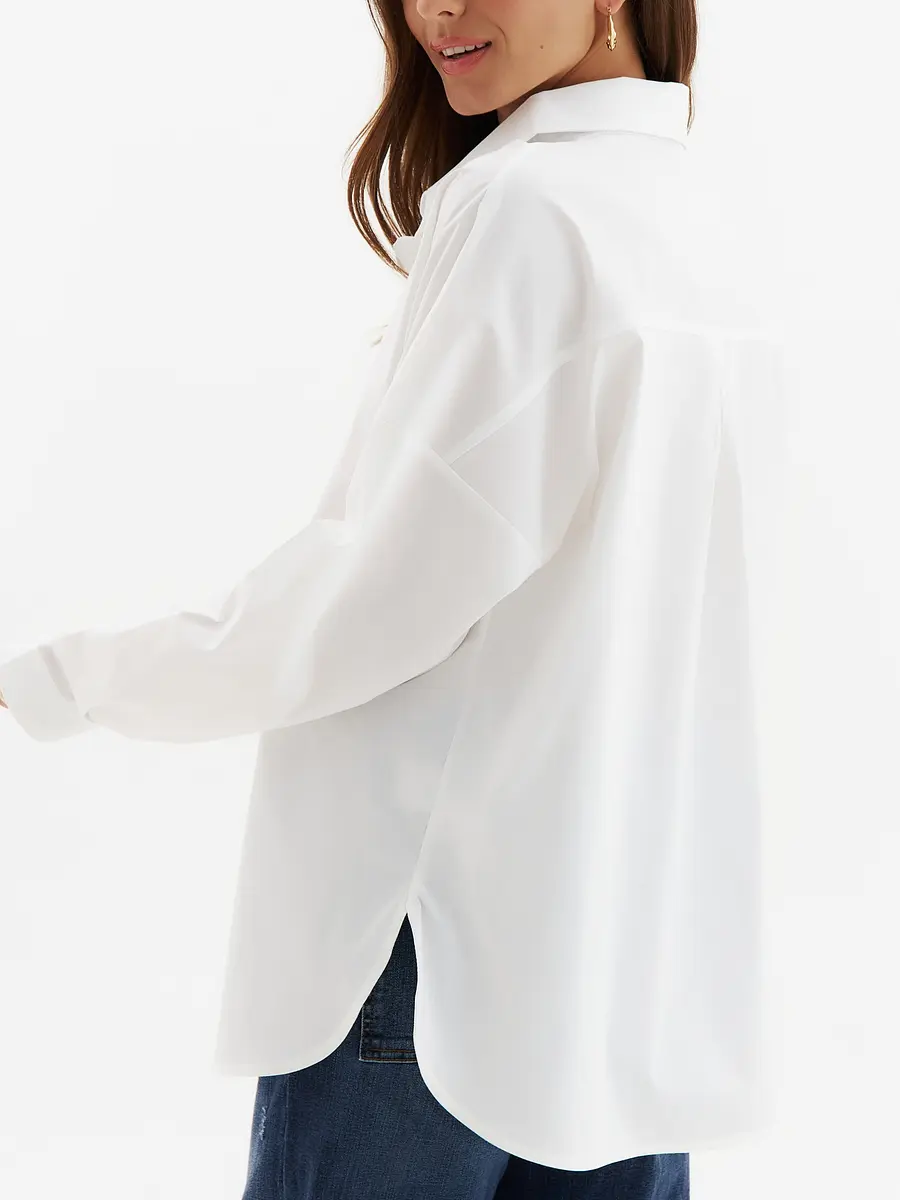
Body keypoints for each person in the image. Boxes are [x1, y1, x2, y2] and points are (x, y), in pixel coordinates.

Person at [0, 1, 785, 1196]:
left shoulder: (531, 213)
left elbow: (365, 602)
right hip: (621, 955)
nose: (436, 9)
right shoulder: (697, 212)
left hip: (433, 957)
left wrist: (64, 679)